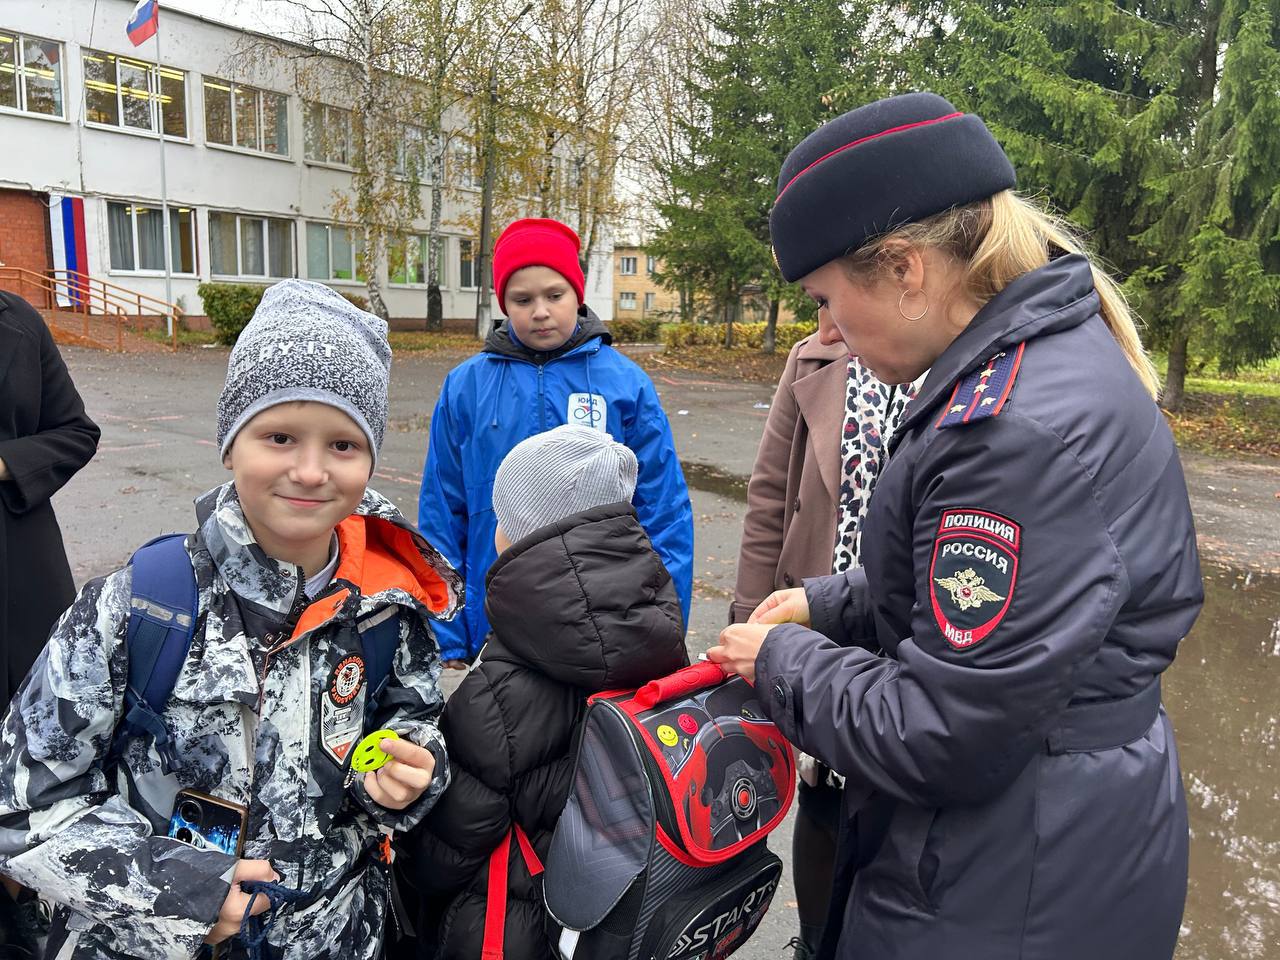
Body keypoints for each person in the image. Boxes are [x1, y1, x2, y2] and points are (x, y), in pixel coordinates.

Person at [709, 92, 1204, 960]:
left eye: (828, 299)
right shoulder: (1037, 364)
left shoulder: (1009, 432)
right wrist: (829, 605)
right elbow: (981, 601)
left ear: (905, 270)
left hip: (1011, 883)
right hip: (1054, 843)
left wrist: (783, 660)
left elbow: (944, 731)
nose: (830, 330)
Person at [0, 280, 462, 959]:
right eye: (280, 436)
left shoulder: (387, 609)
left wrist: (412, 771)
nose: (311, 470)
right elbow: (23, 805)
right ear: (230, 443)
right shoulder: (137, 606)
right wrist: (182, 892)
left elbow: (415, 721)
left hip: (335, 938)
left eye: (343, 444)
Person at [402, 424, 688, 958]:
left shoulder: (497, 689)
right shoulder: (657, 627)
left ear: (517, 533)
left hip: (517, 924)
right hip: (620, 910)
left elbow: (445, 853)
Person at [417, 218, 693, 666]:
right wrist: (446, 630)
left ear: (577, 294)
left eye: (554, 295)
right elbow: (443, 509)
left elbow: (663, 508)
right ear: (504, 303)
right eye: (522, 300)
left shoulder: (625, 383)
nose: (540, 311)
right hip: (497, 616)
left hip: (605, 614)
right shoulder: (466, 387)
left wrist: (666, 623)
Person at [733, 334, 922, 959]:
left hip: (913, 629)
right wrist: (749, 620)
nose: (829, 320)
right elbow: (769, 497)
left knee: (898, 803)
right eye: (817, 301)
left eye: (831, 295)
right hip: (820, 613)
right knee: (822, 789)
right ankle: (814, 945)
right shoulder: (814, 358)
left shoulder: (960, 363)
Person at [0, 290, 100, 713]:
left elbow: (76, 432)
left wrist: (7, 463)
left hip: (21, 564)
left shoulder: (18, 319)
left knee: (42, 715)